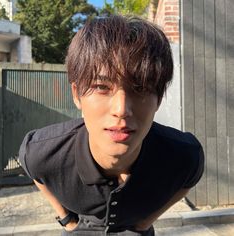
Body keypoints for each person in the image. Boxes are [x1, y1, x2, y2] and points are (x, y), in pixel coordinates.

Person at [19, 14, 204, 236]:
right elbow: (33, 169)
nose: (121, 109)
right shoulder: (43, 150)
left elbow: (190, 177)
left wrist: (145, 223)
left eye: (141, 88)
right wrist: (67, 220)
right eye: (101, 87)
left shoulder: (183, 155)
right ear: (77, 95)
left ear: (159, 99)